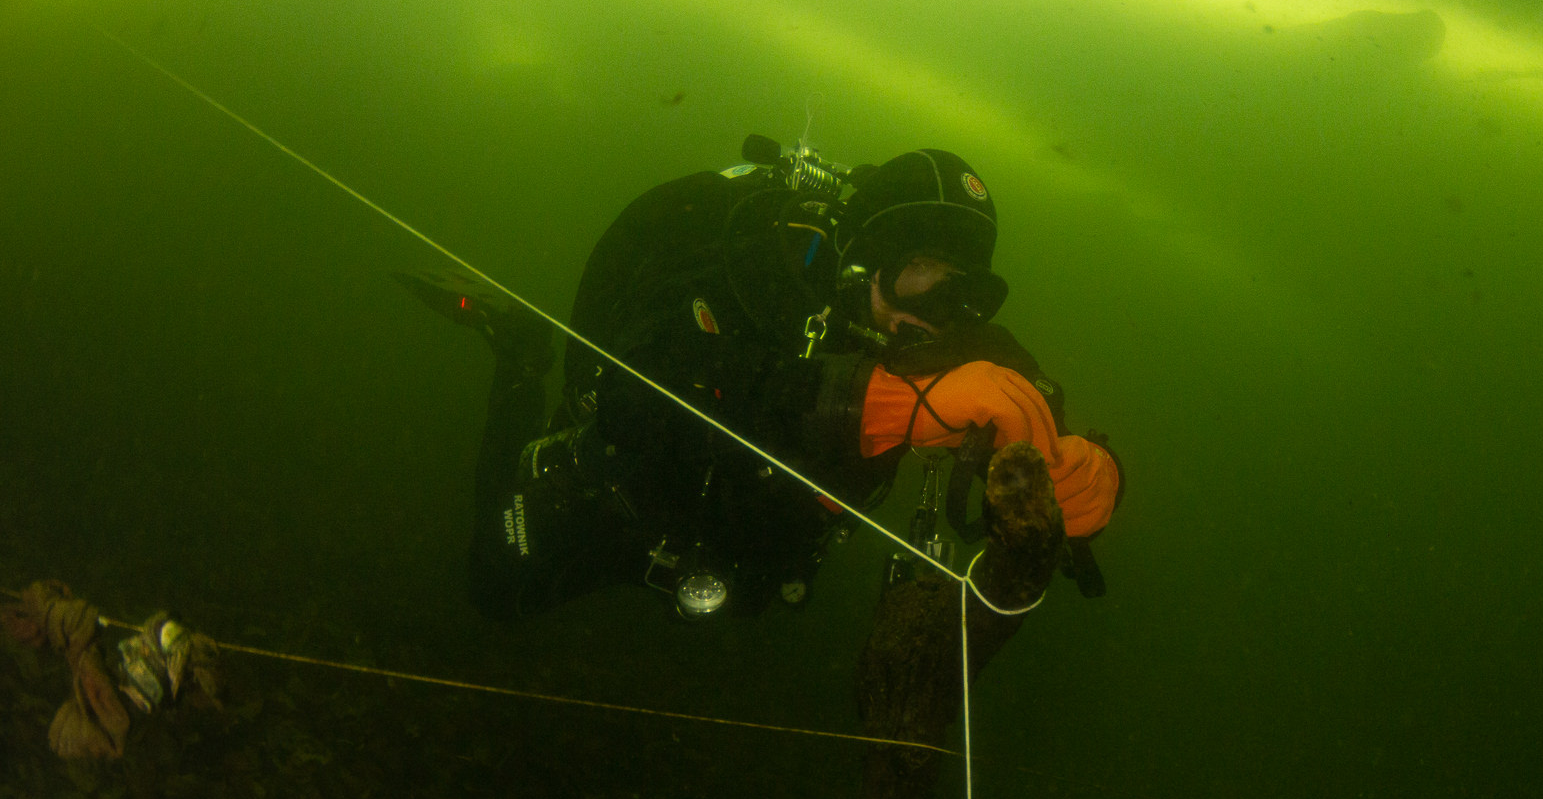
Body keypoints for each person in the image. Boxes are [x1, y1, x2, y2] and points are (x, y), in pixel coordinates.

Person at [397, 141, 1121, 621]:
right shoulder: (756, 267)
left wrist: (1085, 465)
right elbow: (644, 385)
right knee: (498, 591)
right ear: (862, 259)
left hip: (751, 559)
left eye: (963, 290)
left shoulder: (943, 329)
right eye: (917, 275)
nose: (935, 315)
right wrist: (868, 404)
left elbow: (1027, 383)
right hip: (639, 500)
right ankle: (521, 353)